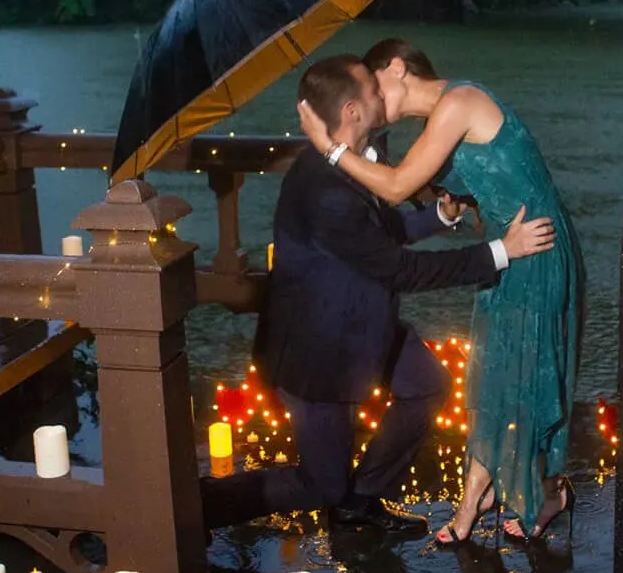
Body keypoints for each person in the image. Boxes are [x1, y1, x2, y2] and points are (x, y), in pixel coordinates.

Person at [199, 54, 555, 538]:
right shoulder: (325, 190)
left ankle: (363, 498)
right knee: (321, 484)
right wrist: (501, 251)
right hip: (319, 353)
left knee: (428, 387)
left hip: (364, 324)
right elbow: (401, 269)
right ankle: (198, 507)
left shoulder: (352, 163)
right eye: (372, 88)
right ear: (351, 111)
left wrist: (440, 217)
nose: (381, 93)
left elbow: (381, 230)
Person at [296, 38, 584, 544]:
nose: (367, 98)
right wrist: (457, 204)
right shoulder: (440, 122)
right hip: (510, 250)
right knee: (493, 374)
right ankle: (478, 495)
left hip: (535, 250)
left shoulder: (458, 103)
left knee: (527, 377)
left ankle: (551, 493)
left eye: (371, 83)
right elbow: (432, 185)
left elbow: (394, 186)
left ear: (397, 68)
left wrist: (329, 148)